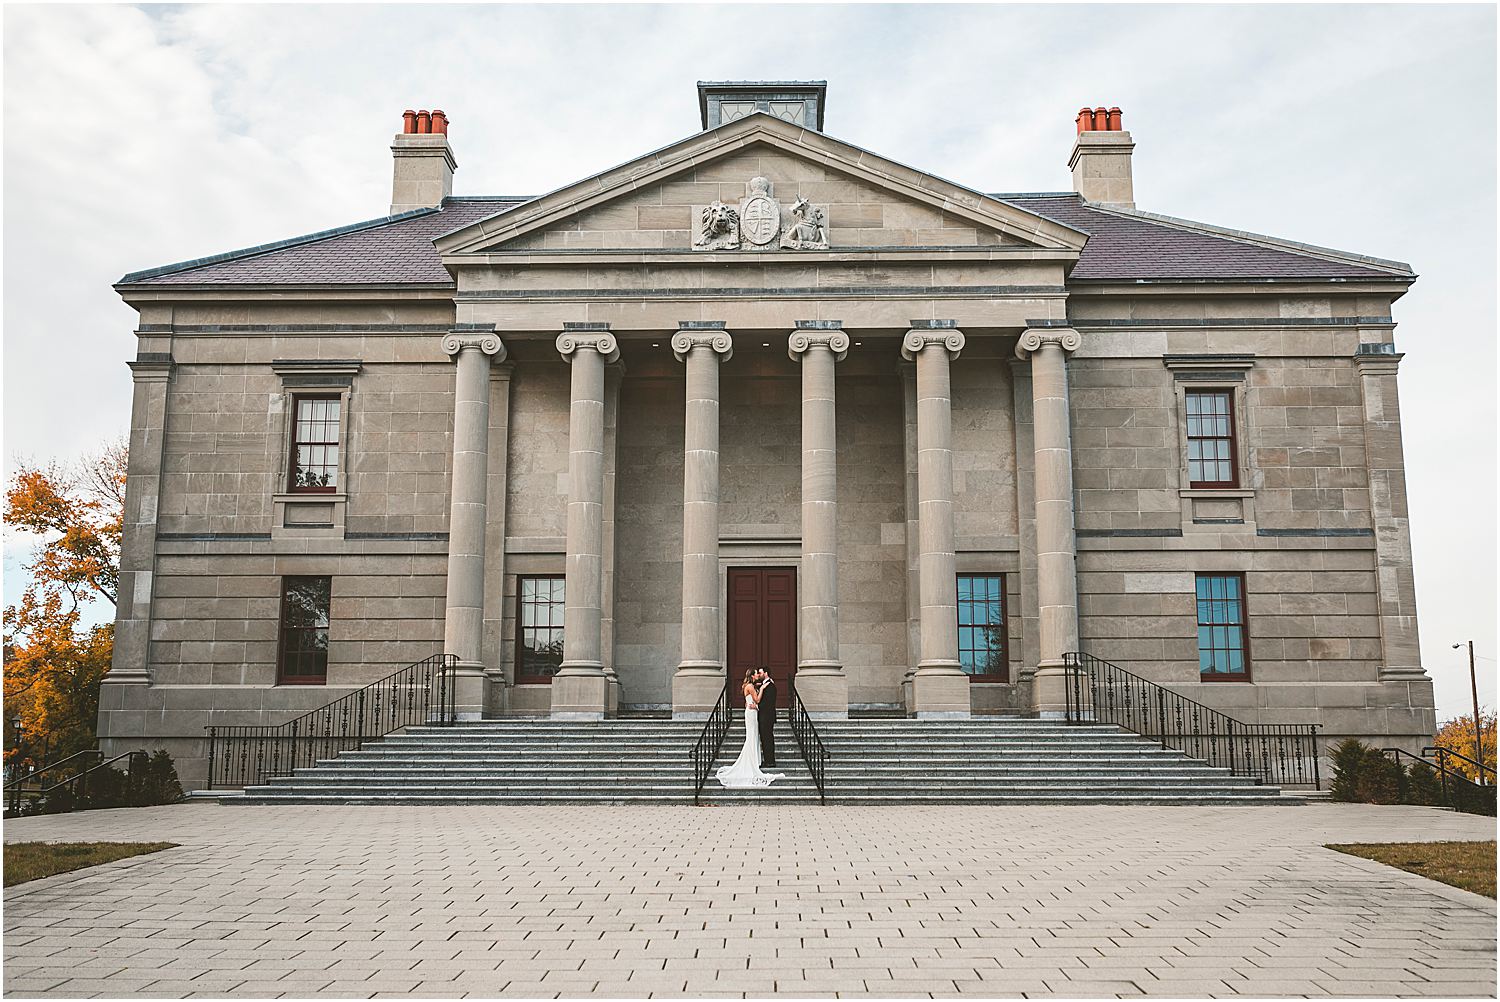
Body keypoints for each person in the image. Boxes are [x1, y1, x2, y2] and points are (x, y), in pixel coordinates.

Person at [715, 668, 785, 789]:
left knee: (754, 736)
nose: (758, 675)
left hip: (753, 713)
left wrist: (753, 702)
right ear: (752, 676)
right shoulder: (751, 687)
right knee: (752, 736)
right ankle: (753, 760)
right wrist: (761, 690)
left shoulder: (750, 685)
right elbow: (757, 700)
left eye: (760, 673)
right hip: (752, 714)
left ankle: (758, 759)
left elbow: (750, 700)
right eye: (756, 674)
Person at [756, 668, 778, 767]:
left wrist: (756, 706)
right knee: (765, 739)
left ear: (766, 673)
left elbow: (768, 703)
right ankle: (768, 760)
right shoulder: (765, 684)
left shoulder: (770, 686)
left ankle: (770, 761)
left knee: (767, 738)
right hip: (765, 716)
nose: (759, 675)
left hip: (767, 717)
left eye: (760, 673)